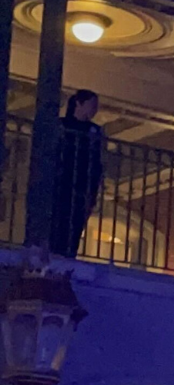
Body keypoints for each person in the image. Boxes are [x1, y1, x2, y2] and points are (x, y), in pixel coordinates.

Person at [50, 90, 105, 259]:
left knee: (76, 223)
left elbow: (96, 161)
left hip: (83, 184)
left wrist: (94, 189)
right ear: (79, 104)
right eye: (92, 105)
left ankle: (69, 254)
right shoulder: (62, 125)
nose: (94, 109)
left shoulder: (94, 130)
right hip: (63, 181)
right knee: (59, 219)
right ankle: (54, 251)